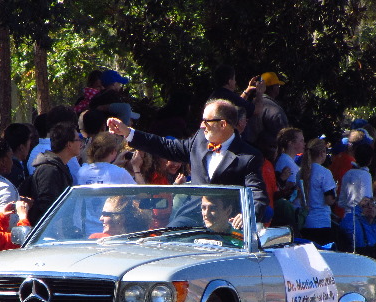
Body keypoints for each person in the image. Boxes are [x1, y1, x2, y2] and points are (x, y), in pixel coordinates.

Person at [106, 98, 268, 221]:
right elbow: (165, 146)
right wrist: (128, 132)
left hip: (226, 223)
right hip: (191, 218)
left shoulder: (249, 156)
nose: (202, 126)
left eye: (207, 121)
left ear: (223, 124)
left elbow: (257, 195)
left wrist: (247, 215)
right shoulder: (199, 140)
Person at [19, 122, 79, 225]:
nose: (81, 143)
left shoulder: (60, 167)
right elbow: (47, 208)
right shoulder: (49, 170)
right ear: (69, 144)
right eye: (78, 140)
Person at [297, 137, 337, 246]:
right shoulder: (324, 172)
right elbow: (329, 200)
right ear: (322, 152)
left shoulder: (300, 172)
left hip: (305, 223)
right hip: (321, 223)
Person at [243, 72, 288, 154]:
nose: (278, 88)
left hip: (245, 150)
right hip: (265, 156)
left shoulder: (250, 104)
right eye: (278, 85)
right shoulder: (275, 110)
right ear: (274, 88)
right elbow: (284, 138)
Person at [338, 142, 374, 211]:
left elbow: (341, 202)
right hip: (360, 217)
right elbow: (366, 199)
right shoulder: (366, 175)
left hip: (347, 216)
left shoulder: (347, 174)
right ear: (370, 160)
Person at [3, 123, 31, 189]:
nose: (30, 146)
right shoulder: (12, 170)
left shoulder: (20, 165)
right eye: (29, 143)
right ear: (21, 147)